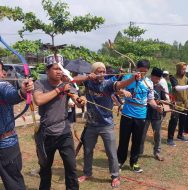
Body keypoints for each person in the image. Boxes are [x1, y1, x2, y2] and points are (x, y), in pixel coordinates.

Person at [74, 62, 141, 187]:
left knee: (111, 152)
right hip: (91, 124)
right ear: (93, 72)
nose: (102, 74)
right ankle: (87, 173)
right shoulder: (88, 82)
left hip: (107, 125)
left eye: (103, 71)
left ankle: (115, 176)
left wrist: (133, 78)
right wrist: (88, 77)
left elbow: (120, 84)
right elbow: (74, 79)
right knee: (88, 151)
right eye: (99, 71)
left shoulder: (108, 83)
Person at [33, 54, 85, 190]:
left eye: (60, 69)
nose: (59, 71)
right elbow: (38, 100)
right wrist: (59, 89)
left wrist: (80, 101)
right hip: (46, 133)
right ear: (47, 70)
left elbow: (76, 100)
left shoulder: (66, 84)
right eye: (55, 68)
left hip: (64, 132)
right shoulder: (40, 83)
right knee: (45, 169)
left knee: (71, 168)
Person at [117, 60, 162, 173]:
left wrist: (156, 107)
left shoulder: (149, 82)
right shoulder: (128, 77)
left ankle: (134, 162)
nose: (142, 74)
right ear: (136, 68)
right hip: (127, 113)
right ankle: (119, 161)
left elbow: (150, 99)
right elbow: (118, 90)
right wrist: (123, 92)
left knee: (137, 140)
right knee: (124, 139)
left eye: (145, 72)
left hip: (141, 115)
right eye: (140, 71)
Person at [0, 61, 34, 190]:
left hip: (5, 145)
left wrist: (23, 91)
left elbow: (12, 95)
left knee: (14, 184)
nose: (2, 74)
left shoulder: (3, 86)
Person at [140, 67, 169, 161]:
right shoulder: (145, 85)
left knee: (157, 135)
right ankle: (139, 151)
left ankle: (157, 152)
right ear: (152, 76)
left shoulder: (160, 87)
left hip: (156, 115)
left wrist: (161, 101)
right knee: (142, 134)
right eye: (156, 78)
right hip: (145, 113)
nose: (157, 80)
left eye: (159, 78)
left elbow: (166, 100)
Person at [167, 62, 188, 146]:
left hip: (185, 103)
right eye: (183, 69)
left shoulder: (186, 78)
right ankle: (170, 138)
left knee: (183, 121)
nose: (184, 71)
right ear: (178, 69)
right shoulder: (173, 77)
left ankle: (180, 135)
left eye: (185, 69)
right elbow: (177, 88)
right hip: (176, 103)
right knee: (174, 121)